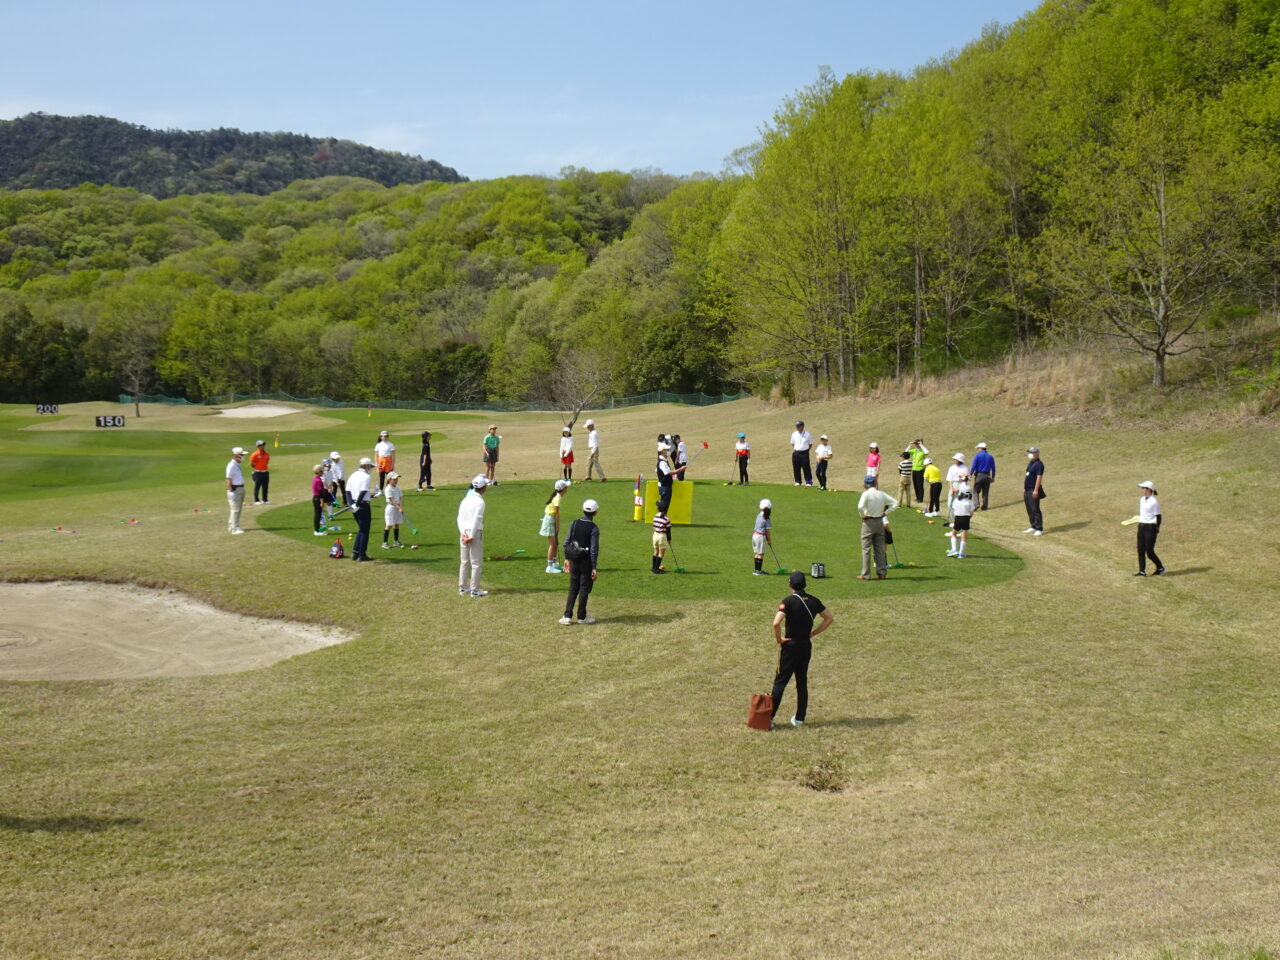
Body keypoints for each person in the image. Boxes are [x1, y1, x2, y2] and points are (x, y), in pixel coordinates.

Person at [769, 570, 834, 728]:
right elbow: (829, 618)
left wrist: (779, 639)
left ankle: (768, 718)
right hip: (805, 645)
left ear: (790, 584)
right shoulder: (813, 601)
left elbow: (776, 623)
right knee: (801, 682)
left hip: (790, 646)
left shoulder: (788, 601)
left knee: (780, 682)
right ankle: (799, 718)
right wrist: (813, 633)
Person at [559, 499, 600, 625]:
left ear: (583, 510)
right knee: (584, 588)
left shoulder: (575, 523)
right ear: (595, 513)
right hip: (586, 562)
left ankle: (567, 616)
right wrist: (594, 567)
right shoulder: (594, 528)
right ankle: (581, 617)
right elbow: (594, 549)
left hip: (574, 560)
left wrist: (567, 558)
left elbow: (567, 542)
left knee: (573, 588)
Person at [857, 475, 898, 580]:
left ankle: (865, 574)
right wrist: (885, 513)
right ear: (875, 484)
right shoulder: (881, 494)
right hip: (879, 521)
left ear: (865, 485)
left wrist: (862, 515)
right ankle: (882, 573)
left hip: (868, 522)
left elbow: (860, 507)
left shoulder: (866, 494)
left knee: (866, 549)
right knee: (879, 549)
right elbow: (895, 503)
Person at [457, 475, 489, 596]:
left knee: (464, 561)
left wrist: (463, 533)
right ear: (483, 488)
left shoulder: (465, 499)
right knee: (476, 562)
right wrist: (471, 535)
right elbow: (477, 519)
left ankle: (463, 587)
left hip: (464, 532)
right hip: (473, 533)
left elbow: (459, 518)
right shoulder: (480, 502)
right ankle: (475, 590)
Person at [346, 456, 379, 562]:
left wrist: (351, 504)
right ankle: (362, 554)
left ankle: (355, 552)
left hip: (355, 504)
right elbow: (363, 491)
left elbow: (348, 492)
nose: (371, 469)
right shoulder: (366, 477)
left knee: (361, 528)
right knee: (365, 530)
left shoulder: (353, 475)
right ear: (365, 466)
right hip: (362, 505)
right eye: (370, 466)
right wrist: (356, 504)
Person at [1134, 480, 1165, 576]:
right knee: (1140, 550)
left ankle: (1160, 567)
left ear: (1149, 490)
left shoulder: (1154, 502)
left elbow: (1158, 516)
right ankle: (1142, 571)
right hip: (1142, 526)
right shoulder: (1142, 499)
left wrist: (1157, 528)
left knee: (1149, 551)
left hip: (1150, 528)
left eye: (1143, 488)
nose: (1142, 490)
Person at [540, 478, 569, 573]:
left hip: (550, 519)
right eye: (566, 487)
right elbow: (556, 514)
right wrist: (557, 526)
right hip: (550, 520)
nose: (567, 488)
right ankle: (549, 567)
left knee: (555, 543)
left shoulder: (558, 497)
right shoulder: (557, 499)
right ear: (563, 488)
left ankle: (554, 564)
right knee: (553, 544)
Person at [948, 480, 975, 558]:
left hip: (958, 518)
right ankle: (961, 553)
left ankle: (954, 549)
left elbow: (954, 509)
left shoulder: (957, 501)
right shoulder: (970, 502)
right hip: (966, 519)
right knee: (964, 536)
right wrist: (968, 518)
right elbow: (971, 513)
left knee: (953, 533)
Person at [1024, 446, 1045, 536]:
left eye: (1032, 453)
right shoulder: (1030, 463)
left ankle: (1039, 528)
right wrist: (1024, 488)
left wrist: (1036, 490)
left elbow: (1039, 477)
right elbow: (1027, 475)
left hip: (1033, 489)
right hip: (1027, 489)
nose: (1030, 454)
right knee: (1029, 509)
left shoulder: (1039, 464)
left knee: (1035, 509)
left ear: (1037, 454)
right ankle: (1033, 526)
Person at [225, 446, 246, 535]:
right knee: (235, 510)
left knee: (236, 509)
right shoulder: (231, 465)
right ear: (237, 455)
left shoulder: (237, 465)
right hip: (235, 489)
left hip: (240, 488)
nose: (243, 457)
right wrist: (230, 491)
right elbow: (228, 479)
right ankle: (234, 528)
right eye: (241, 455)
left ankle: (232, 526)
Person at [381, 472, 405, 549]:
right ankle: (384, 543)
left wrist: (401, 507)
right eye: (394, 479)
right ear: (389, 480)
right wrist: (399, 508)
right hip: (391, 508)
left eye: (396, 479)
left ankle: (396, 541)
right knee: (389, 525)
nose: (396, 480)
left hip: (397, 508)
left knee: (396, 524)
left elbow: (401, 497)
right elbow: (392, 500)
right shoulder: (388, 489)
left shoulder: (397, 488)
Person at [971, 442, 996, 510]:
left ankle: (976, 504)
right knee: (985, 492)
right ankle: (985, 506)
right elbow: (993, 468)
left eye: (978, 448)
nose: (977, 450)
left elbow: (973, 466)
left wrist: (970, 474)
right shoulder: (990, 456)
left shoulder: (977, 456)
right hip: (987, 476)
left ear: (981, 448)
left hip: (979, 475)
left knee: (975, 491)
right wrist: (993, 477)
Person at [752, 498, 773, 575]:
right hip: (761, 537)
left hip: (754, 535)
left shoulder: (759, 515)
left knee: (757, 553)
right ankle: (758, 571)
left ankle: (756, 570)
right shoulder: (767, 518)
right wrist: (769, 540)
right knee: (761, 554)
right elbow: (768, 531)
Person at [790, 421, 813, 486]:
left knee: (806, 467)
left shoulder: (807, 434)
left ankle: (808, 482)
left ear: (802, 426)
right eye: (796, 426)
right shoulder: (794, 434)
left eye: (798, 426)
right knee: (796, 467)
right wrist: (798, 448)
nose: (797, 427)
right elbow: (792, 443)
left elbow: (810, 444)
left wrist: (806, 450)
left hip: (805, 453)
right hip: (796, 453)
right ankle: (798, 481)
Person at [945, 453, 968, 520]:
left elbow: (965, 481)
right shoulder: (952, 468)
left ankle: (958, 521)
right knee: (950, 504)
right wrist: (952, 489)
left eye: (956, 459)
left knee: (959, 504)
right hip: (953, 485)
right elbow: (949, 479)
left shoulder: (964, 468)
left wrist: (957, 489)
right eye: (954, 459)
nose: (955, 460)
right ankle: (954, 520)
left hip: (961, 486)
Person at [311, 464, 331, 536]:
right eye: (322, 471)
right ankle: (317, 531)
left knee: (318, 515)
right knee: (318, 515)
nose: (323, 472)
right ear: (319, 472)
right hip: (318, 499)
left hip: (315, 498)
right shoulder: (318, 481)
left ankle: (317, 529)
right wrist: (322, 503)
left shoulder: (315, 478)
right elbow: (320, 493)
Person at [249, 439, 271, 505]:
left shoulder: (267, 454)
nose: (262, 446)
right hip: (258, 473)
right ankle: (256, 500)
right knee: (257, 486)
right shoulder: (254, 454)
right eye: (261, 445)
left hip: (265, 472)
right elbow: (251, 464)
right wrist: (257, 468)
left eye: (263, 445)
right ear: (258, 446)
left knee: (265, 487)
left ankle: (265, 499)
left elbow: (267, 462)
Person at [909, 438, 930, 504]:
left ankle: (920, 499)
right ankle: (917, 497)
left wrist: (921, 445)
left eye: (917, 443)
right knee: (915, 485)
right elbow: (906, 452)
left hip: (920, 469)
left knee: (920, 485)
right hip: (914, 469)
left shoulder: (922, 450)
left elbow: (927, 452)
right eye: (916, 443)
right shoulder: (915, 450)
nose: (916, 445)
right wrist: (910, 445)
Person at [651, 507, 671, 573]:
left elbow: (653, 526)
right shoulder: (666, 519)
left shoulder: (655, 516)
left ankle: (653, 567)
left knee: (655, 552)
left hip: (655, 535)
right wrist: (669, 539)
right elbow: (668, 530)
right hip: (662, 536)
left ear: (658, 509)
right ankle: (656, 569)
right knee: (661, 553)